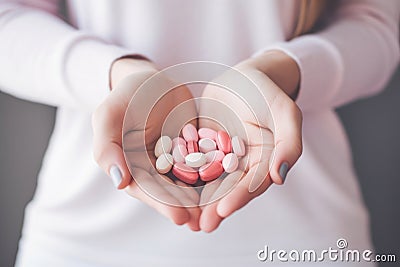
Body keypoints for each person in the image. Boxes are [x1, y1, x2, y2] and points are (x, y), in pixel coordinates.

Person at [0, 0, 398, 266]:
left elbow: (378, 24)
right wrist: (115, 72)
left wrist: (284, 71)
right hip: (85, 242)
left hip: (302, 242)